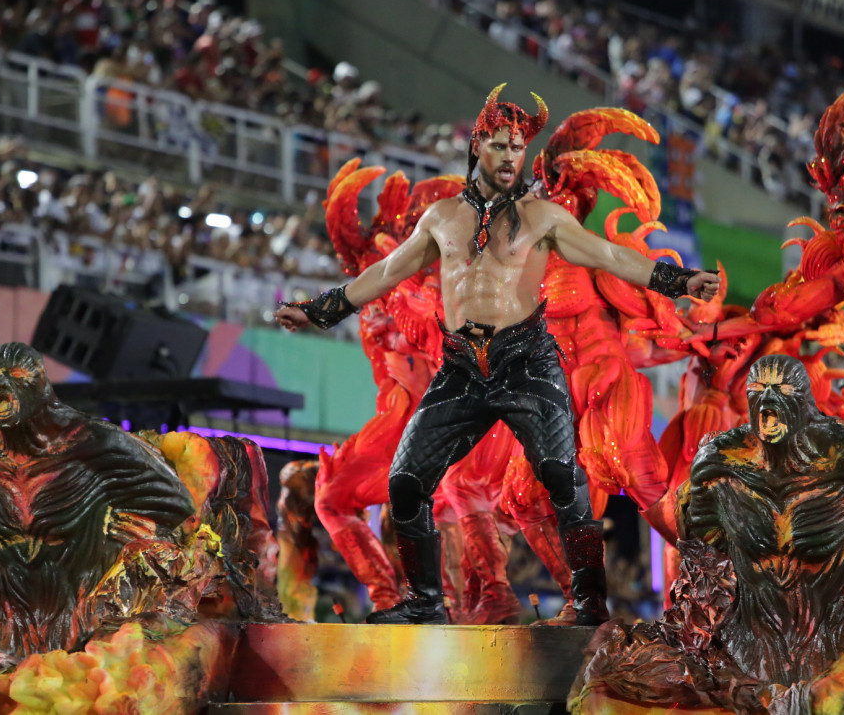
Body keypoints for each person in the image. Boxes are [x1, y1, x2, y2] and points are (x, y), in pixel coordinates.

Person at [276, 84, 721, 624]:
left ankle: (590, 605)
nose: (511, 157)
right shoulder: (440, 219)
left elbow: (610, 257)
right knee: (405, 481)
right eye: (500, 146)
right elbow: (386, 274)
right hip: (462, 368)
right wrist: (318, 310)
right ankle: (422, 603)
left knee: (564, 478)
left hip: (527, 363)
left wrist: (679, 280)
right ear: (476, 148)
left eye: (518, 148)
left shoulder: (543, 219)